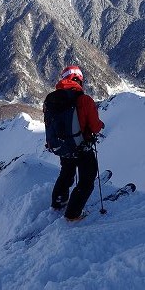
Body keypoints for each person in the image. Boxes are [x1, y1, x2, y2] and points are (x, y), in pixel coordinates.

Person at [43, 65, 104, 222]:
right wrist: (100, 125)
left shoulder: (51, 99)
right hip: (82, 147)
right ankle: (73, 214)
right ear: (79, 80)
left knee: (66, 173)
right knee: (87, 180)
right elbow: (95, 127)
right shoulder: (84, 100)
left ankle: (58, 202)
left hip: (63, 146)